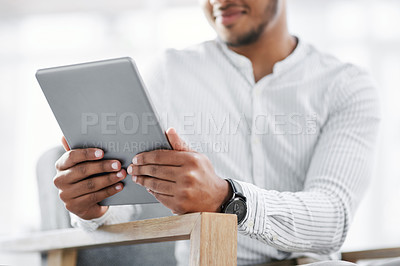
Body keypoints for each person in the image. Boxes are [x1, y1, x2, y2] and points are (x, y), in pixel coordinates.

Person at [53, 0, 380, 265]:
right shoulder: (171, 72)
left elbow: (332, 220)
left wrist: (228, 199)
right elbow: (130, 198)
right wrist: (94, 207)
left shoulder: (345, 86)